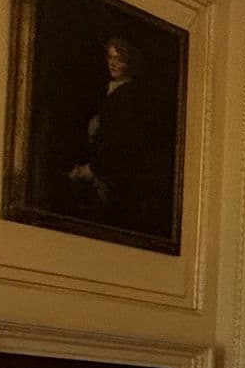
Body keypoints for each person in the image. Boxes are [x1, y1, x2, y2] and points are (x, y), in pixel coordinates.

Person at [57, 34, 176, 243]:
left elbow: (120, 140)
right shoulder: (113, 90)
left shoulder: (128, 96)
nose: (113, 63)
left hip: (113, 177)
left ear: (129, 63)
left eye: (119, 59)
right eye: (110, 57)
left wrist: (92, 169)